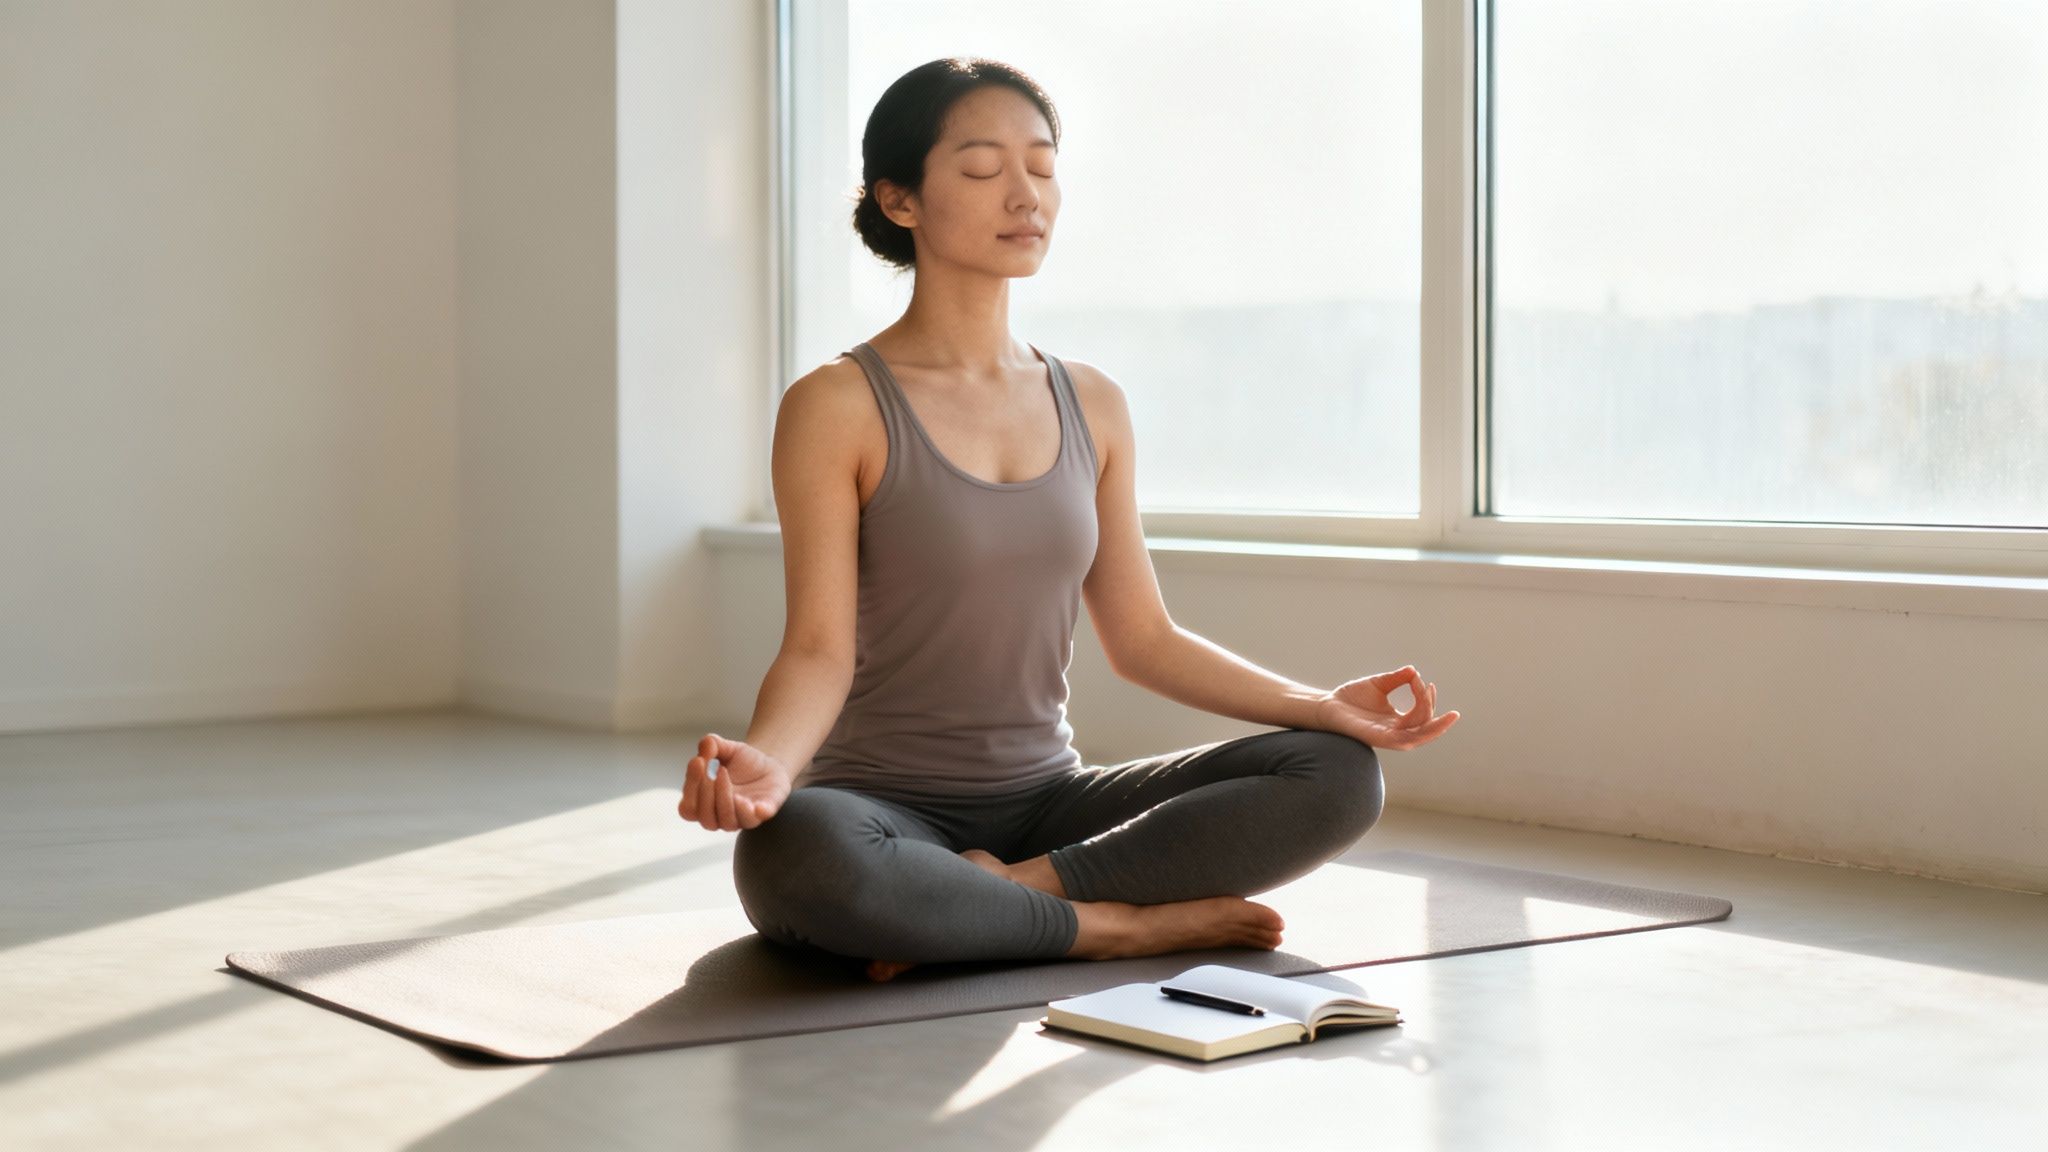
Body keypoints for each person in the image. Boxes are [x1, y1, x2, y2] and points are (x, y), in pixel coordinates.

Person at [680, 57, 1460, 983]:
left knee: (1337, 774)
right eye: (981, 170)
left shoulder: (1091, 401)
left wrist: (1320, 706)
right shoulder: (836, 404)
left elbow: (1144, 639)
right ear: (901, 201)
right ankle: (1117, 929)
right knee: (794, 850)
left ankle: (1010, 895)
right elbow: (817, 650)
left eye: (1043, 168)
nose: (1025, 195)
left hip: (1049, 805)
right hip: (879, 813)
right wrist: (768, 766)